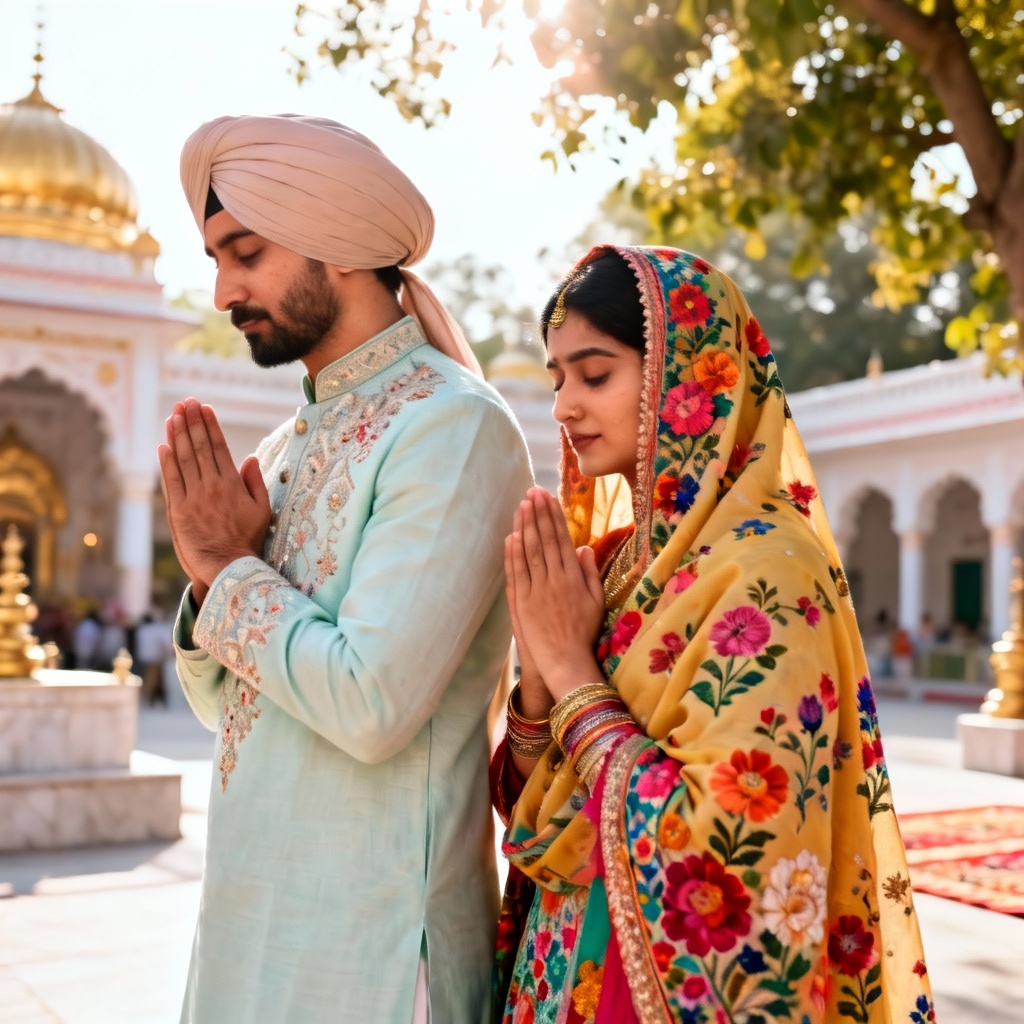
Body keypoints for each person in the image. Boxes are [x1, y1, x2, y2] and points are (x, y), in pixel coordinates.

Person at [492, 246, 933, 1023]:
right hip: (559, 964)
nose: (562, 407)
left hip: (648, 987)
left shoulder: (769, 572)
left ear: (692, 379)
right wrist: (538, 675)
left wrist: (567, 667)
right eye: (557, 378)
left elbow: (732, 849)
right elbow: (538, 804)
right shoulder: (618, 563)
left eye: (594, 375)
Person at [160, 114, 533, 1024]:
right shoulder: (291, 440)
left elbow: (370, 707)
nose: (221, 290)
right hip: (252, 920)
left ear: (341, 242)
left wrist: (229, 567)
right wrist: (217, 580)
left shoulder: (450, 426)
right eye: (215, 258)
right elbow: (228, 706)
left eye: (244, 252)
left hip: (371, 948)